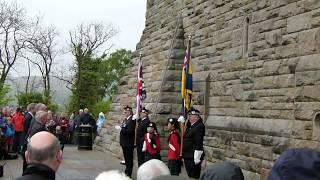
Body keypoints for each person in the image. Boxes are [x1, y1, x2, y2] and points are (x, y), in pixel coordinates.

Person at [181, 107, 205, 179]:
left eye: (190, 116)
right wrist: (181, 123)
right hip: (188, 155)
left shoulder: (199, 126)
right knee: (190, 175)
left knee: (194, 176)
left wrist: (197, 157)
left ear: (195, 117)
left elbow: (198, 141)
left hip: (193, 156)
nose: (188, 118)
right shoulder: (191, 126)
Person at [115, 105, 136, 177]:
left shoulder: (132, 120)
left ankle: (129, 173)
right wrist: (120, 129)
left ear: (130, 112)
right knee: (126, 158)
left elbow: (130, 131)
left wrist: (121, 129)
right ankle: (127, 171)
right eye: (124, 112)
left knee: (129, 159)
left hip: (129, 142)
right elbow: (124, 128)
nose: (124, 113)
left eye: (126, 112)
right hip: (124, 142)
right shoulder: (125, 120)